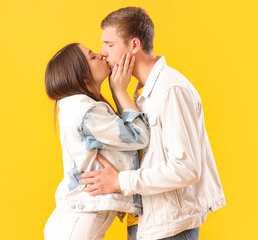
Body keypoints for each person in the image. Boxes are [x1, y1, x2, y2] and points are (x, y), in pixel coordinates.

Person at [79, 7, 226, 240]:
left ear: (134, 45)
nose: (103, 53)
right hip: (147, 222)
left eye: (109, 44)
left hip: (172, 228)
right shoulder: (141, 92)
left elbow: (186, 168)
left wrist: (120, 181)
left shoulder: (170, 90)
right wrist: (119, 91)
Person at [43, 43, 150, 240]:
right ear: (83, 77)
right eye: (92, 57)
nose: (101, 55)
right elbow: (139, 136)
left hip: (72, 221)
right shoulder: (86, 111)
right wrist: (120, 91)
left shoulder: (80, 107)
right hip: (76, 224)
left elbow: (123, 136)